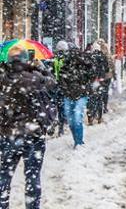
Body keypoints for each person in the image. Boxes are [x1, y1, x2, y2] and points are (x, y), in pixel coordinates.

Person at [0, 46, 58, 209]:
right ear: (25, 59)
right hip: (33, 135)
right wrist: (39, 67)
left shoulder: (3, 79)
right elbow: (52, 83)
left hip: (8, 135)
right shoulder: (35, 77)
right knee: (32, 178)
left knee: (4, 176)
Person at [58, 44, 96, 148]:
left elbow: (92, 75)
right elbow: (61, 77)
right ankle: (77, 140)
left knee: (76, 117)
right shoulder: (67, 64)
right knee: (72, 119)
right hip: (71, 94)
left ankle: (78, 142)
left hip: (80, 94)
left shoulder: (84, 63)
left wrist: (84, 86)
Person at [86, 42, 110, 125]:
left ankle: (90, 117)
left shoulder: (90, 57)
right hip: (100, 80)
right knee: (99, 99)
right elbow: (107, 69)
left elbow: (86, 69)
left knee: (90, 99)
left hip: (91, 80)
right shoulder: (103, 56)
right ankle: (99, 117)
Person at [51, 41, 70, 136]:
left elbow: (51, 72)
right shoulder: (67, 59)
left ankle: (56, 122)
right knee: (62, 107)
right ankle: (61, 127)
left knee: (55, 106)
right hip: (63, 86)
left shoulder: (54, 59)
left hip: (55, 86)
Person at [97, 40, 115, 114]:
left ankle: (100, 106)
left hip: (100, 76)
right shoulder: (108, 55)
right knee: (105, 91)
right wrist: (113, 73)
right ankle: (104, 107)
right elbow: (112, 65)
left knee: (99, 91)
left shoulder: (98, 54)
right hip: (107, 76)